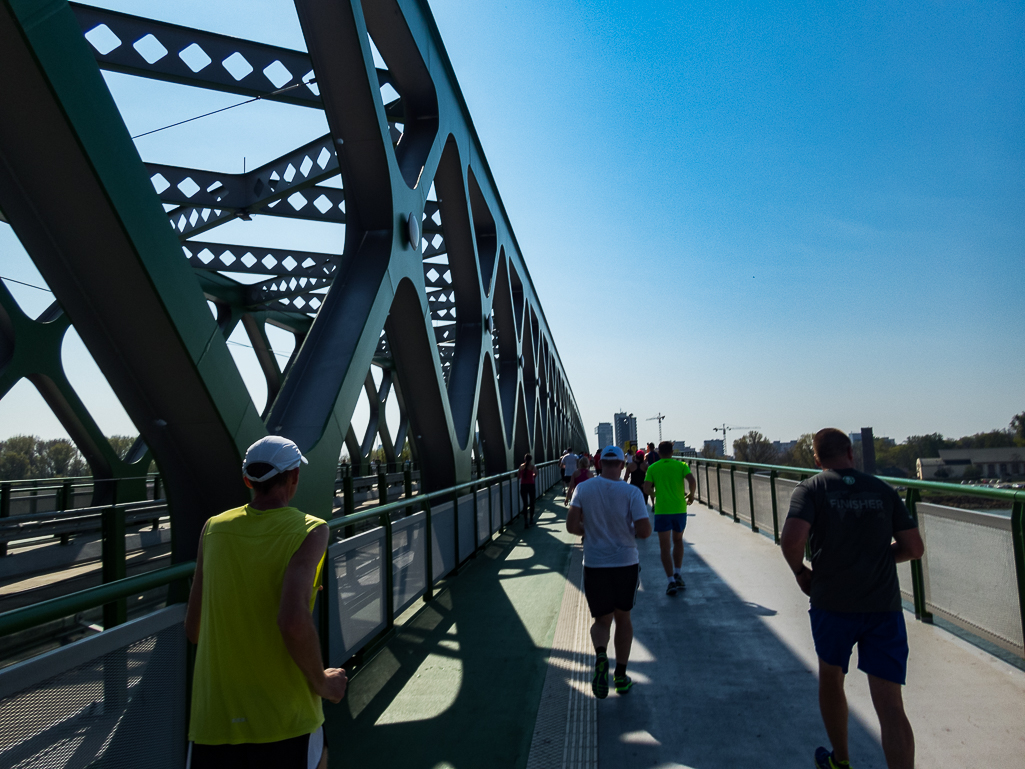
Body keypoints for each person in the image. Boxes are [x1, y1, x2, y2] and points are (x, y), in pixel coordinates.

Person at [185, 436, 348, 769]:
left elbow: (195, 629)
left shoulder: (213, 529)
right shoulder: (310, 531)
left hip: (213, 721)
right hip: (284, 718)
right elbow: (292, 620)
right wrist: (324, 683)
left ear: (248, 481)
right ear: (294, 477)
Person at [780, 428, 924, 769]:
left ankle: (840, 760)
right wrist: (876, 556)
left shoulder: (812, 489)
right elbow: (914, 549)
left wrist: (801, 572)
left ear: (817, 459)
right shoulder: (882, 489)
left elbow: (792, 540)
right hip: (883, 607)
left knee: (832, 678)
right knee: (890, 704)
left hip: (833, 603)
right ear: (850, 452)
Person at [566, 446, 653, 699]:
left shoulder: (584, 488)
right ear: (622, 466)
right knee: (623, 619)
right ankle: (621, 676)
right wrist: (624, 531)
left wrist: (591, 530)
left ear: (600, 464)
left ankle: (601, 655)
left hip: (595, 564)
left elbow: (572, 526)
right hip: (625, 563)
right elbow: (645, 531)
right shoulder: (632, 493)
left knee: (602, 621)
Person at [643, 440, 696, 596]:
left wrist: (656, 495)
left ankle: (671, 581)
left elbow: (646, 488)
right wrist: (691, 495)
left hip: (662, 510)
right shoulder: (681, 466)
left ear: (659, 453)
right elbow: (692, 481)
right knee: (678, 541)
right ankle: (678, 572)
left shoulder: (653, 467)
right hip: (679, 509)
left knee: (664, 547)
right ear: (672, 453)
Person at [518, 454, 537, 527]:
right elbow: (535, 474)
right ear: (531, 459)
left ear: (524, 459)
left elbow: (518, 476)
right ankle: (531, 519)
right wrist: (531, 476)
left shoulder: (521, 466)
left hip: (523, 486)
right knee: (532, 502)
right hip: (531, 485)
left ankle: (525, 521)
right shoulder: (533, 467)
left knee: (525, 504)